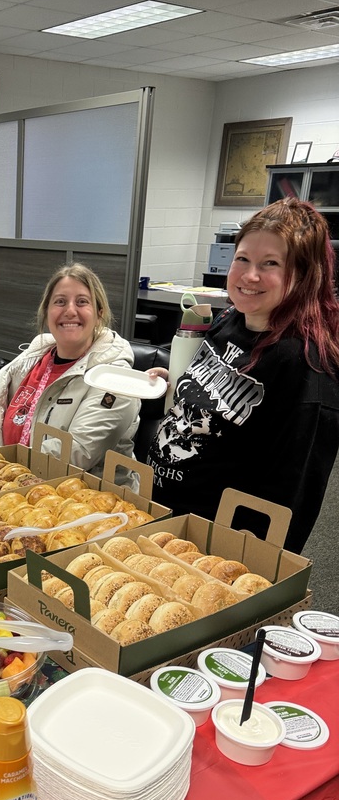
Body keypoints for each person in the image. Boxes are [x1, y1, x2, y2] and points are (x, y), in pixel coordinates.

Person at [146, 198, 339, 553]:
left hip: (211, 546)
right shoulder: (231, 319)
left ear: (304, 273)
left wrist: (247, 562)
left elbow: (291, 491)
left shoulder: (304, 365)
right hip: (165, 514)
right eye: (243, 259)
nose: (250, 276)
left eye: (270, 264)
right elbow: (218, 396)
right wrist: (176, 384)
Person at [0, 263, 140, 481]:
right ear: (46, 312)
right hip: (18, 484)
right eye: (60, 302)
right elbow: (7, 422)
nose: (70, 310)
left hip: (85, 501)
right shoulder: (36, 359)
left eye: (82, 302)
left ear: (99, 314)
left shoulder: (115, 379)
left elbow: (77, 454)